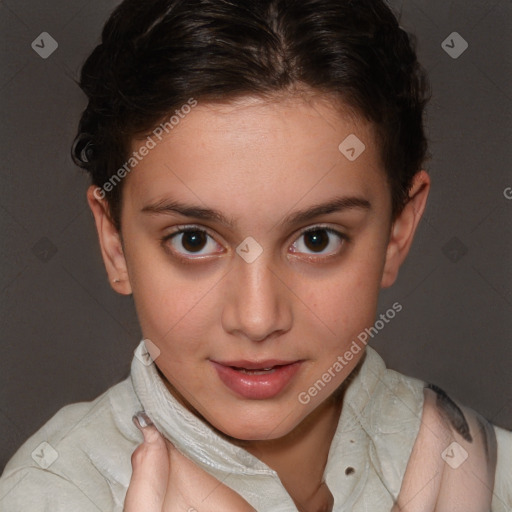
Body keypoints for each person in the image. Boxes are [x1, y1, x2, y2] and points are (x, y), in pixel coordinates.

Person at [0, 0, 510, 510]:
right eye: (193, 240)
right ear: (115, 244)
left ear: (398, 230)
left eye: (317, 239)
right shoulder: (52, 493)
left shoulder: (492, 476)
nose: (258, 318)